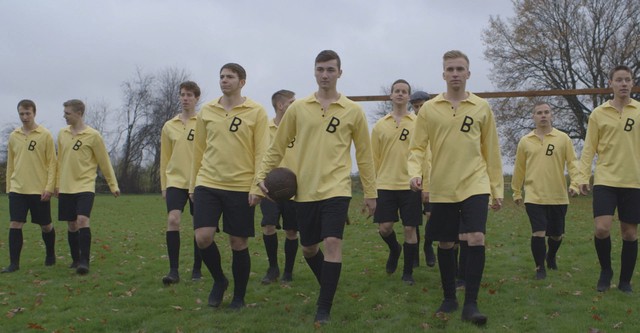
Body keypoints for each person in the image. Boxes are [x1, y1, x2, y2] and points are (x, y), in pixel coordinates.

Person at [256, 50, 377, 325]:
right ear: (314, 72)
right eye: (320, 69)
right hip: (305, 191)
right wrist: (260, 179)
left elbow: (365, 155)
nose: (325, 75)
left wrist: (371, 193)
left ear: (339, 73)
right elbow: (276, 147)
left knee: (333, 243)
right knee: (309, 249)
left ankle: (324, 308)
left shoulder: (353, 111)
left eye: (330, 69)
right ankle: (328, 284)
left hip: (336, 189)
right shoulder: (298, 109)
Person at [408, 50, 503, 326]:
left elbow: (492, 152)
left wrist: (497, 190)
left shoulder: (481, 107)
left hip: (475, 182)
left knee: (475, 237)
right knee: (446, 242)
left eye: (460, 69)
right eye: (450, 69)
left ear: (468, 74)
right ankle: (450, 297)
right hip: (442, 185)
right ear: (443, 74)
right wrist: (415, 174)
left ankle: (471, 303)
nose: (455, 74)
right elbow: (416, 147)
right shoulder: (429, 109)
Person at [190, 63, 268, 309]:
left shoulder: (256, 112)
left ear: (242, 81)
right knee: (202, 238)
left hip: (241, 186)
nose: (224, 80)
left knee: (238, 243)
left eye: (230, 77)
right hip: (208, 183)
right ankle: (219, 280)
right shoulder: (207, 111)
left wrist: (257, 186)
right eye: (222, 76)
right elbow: (198, 150)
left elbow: (262, 152)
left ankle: (239, 297)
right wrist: (193, 185)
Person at [578, 65, 640, 294]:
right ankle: (606, 271)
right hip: (605, 180)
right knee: (602, 229)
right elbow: (589, 148)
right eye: (619, 80)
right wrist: (582, 176)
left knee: (629, 233)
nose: (623, 83)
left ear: (632, 83)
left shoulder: (639, 111)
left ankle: (625, 281)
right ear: (611, 84)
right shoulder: (598, 114)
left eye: (627, 79)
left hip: (633, 181)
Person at [511, 102, 579, 280]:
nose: (543, 115)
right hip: (534, 196)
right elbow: (519, 169)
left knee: (556, 235)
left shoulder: (563, 138)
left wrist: (575, 183)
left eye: (546, 112)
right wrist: (516, 191)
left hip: (558, 196)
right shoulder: (525, 141)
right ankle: (540, 267)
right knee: (538, 232)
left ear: (552, 115)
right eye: (539, 112)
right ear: (533, 117)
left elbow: (572, 163)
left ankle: (550, 256)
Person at [55, 99, 120, 275]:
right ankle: (75, 259)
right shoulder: (62, 134)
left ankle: (84, 261)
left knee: (82, 220)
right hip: (66, 186)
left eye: (67, 113)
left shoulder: (93, 136)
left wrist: (112, 184)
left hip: (85, 186)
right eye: (64, 113)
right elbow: (59, 161)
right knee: (72, 224)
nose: (65, 116)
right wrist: (56, 183)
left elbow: (104, 162)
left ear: (79, 113)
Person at [371, 79, 421, 285]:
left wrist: (423, 178)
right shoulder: (380, 125)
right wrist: (371, 187)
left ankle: (408, 272)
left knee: (410, 229)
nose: (400, 94)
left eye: (404, 91)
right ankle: (394, 249)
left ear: (409, 97)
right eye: (396, 91)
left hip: (410, 185)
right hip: (385, 184)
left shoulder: (418, 122)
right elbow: (373, 158)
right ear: (391, 96)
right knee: (385, 228)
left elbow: (425, 152)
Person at [2, 100, 57, 273]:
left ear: (34, 113)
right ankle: (14, 264)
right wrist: (9, 187)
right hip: (18, 189)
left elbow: (52, 163)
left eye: (28, 113)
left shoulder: (45, 135)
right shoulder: (14, 136)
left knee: (46, 225)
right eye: (21, 114)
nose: (24, 117)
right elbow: (11, 163)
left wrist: (49, 187)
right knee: (15, 224)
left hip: (38, 190)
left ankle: (50, 254)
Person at [160, 81, 203, 285]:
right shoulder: (169, 126)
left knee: (199, 227)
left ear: (197, 99)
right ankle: (173, 271)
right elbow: (164, 157)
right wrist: (164, 185)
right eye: (182, 94)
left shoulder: (204, 121)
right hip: (175, 181)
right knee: (173, 220)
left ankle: (197, 268)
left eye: (189, 95)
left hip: (200, 181)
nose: (185, 98)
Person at [259, 89, 300, 285]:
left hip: (294, 190)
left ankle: (288, 272)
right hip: (269, 189)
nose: (296, 104)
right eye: (292, 101)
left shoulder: (300, 128)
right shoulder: (263, 129)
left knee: (292, 231)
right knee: (268, 226)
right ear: (280, 105)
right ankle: (273, 267)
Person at [409, 90, 436, 268]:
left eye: (422, 105)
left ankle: (428, 246)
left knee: (430, 216)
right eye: (416, 106)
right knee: (412, 220)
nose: (419, 109)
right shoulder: (409, 124)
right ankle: (415, 253)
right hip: (412, 177)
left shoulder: (436, 122)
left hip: (433, 178)